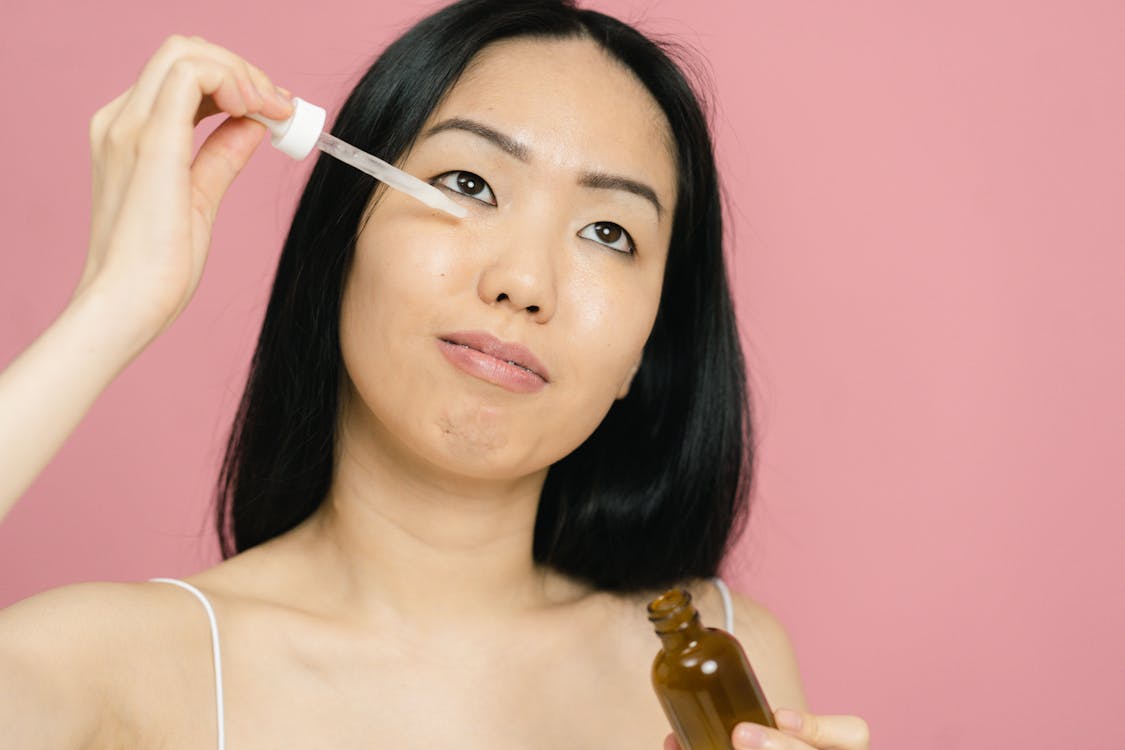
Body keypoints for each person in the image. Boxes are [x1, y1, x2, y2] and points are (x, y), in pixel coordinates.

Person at [0, 1, 870, 747]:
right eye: (468, 183)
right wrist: (114, 305)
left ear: (646, 347)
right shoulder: (106, 670)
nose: (524, 283)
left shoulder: (718, 651)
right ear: (342, 238)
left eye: (609, 233)